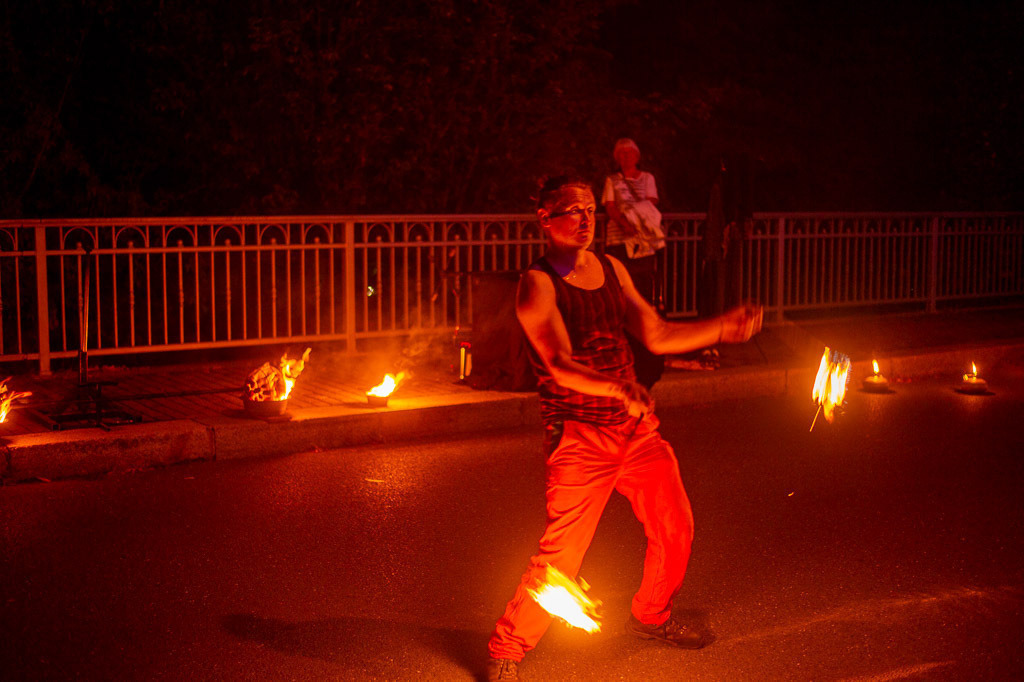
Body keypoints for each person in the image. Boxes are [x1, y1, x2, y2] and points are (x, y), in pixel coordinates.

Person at [485, 176, 763, 681]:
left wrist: (722, 327)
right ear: (545, 219)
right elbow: (559, 363)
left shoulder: (611, 268)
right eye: (573, 211)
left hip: (635, 429)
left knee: (675, 524)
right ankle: (507, 648)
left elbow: (655, 333)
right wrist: (618, 388)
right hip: (579, 435)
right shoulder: (537, 284)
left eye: (591, 209)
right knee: (562, 556)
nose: (586, 220)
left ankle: (651, 616)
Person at [601, 138, 667, 389]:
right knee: (619, 287)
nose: (625, 157)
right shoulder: (612, 180)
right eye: (621, 154)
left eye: (629, 153)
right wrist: (624, 223)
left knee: (642, 287)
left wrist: (634, 218)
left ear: (637, 156)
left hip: (643, 240)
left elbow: (652, 202)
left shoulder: (647, 178)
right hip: (619, 240)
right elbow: (609, 206)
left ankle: (643, 336)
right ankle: (623, 336)